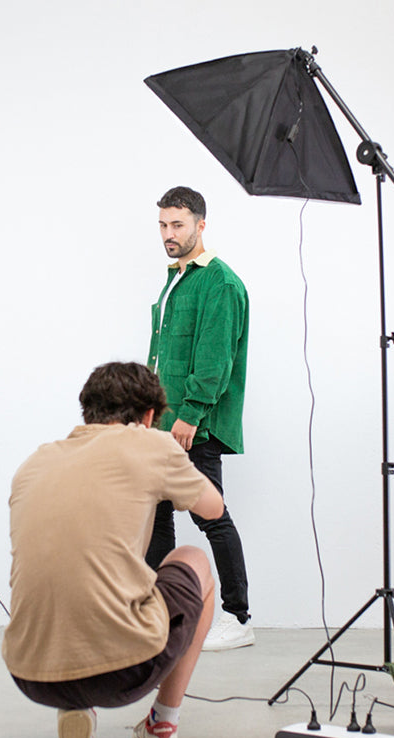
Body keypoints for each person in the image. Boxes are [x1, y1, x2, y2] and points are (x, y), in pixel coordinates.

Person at [3, 362, 222, 738]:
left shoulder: (35, 462)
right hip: (125, 671)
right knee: (193, 559)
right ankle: (161, 726)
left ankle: (75, 713)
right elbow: (214, 508)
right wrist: (167, 453)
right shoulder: (150, 445)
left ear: (89, 412)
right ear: (147, 416)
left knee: (83, 577)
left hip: (32, 673)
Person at [146, 186, 253, 651]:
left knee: (212, 516)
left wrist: (189, 415)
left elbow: (214, 362)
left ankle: (237, 617)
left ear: (200, 225)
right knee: (155, 513)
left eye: (178, 225)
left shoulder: (220, 283)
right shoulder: (176, 280)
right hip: (159, 422)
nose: (169, 234)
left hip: (194, 427)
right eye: (164, 226)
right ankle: (165, 609)